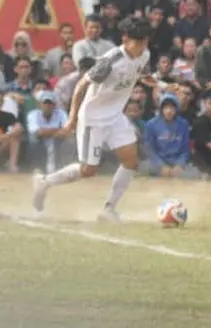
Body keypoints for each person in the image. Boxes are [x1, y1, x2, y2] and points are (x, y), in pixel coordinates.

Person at [32, 16, 153, 222]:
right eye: (138, 42)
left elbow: (144, 75)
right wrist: (72, 120)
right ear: (125, 40)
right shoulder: (110, 61)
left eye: (145, 41)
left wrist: (165, 85)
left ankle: (108, 210)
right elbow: (81, 86)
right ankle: (44, 182)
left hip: (115, 116)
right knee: (89, 170)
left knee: (131, 161)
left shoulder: (144, 55)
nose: (143, 46)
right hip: (93, 118)